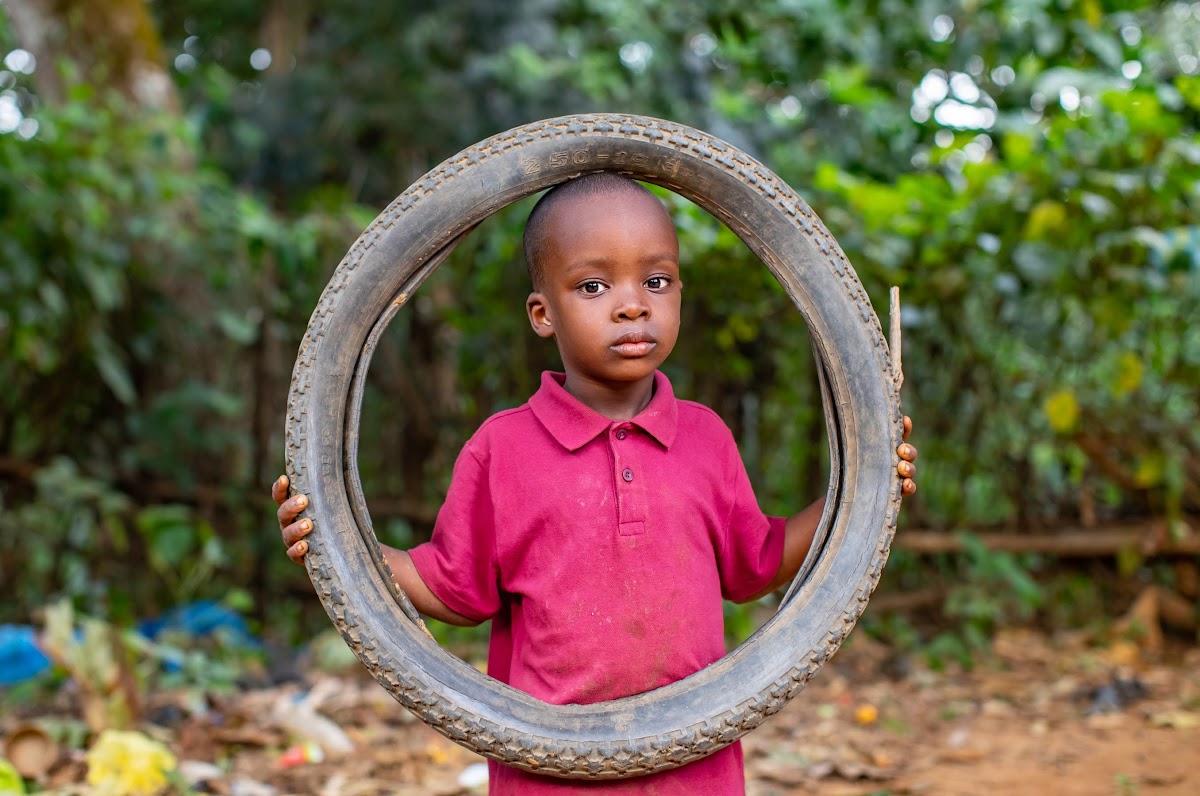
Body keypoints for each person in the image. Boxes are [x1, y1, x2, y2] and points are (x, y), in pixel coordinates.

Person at [273, 174, 918, 794]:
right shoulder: (502, 450)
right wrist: (330, 540)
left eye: (656, 280)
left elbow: (757, 562)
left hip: (695, 765)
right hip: (551, 771)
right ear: (542, 313)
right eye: (592, 286)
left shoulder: (706, 438)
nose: (633, 303)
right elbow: (453, 587)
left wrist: (867, 486)